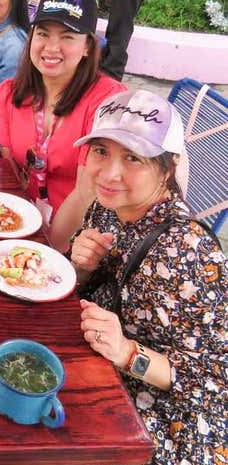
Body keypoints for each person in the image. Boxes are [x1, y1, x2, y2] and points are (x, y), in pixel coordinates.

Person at [69, 89, 226, 464]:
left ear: (167, 167)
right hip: (99, 371)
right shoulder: (108, 206)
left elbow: (214, 383)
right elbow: (76, 286)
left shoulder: (188, 253)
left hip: (167, 425)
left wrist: (127, 352)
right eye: (101, 151)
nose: (109, 173)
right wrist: (79, 266)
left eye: (132, 158)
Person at [0, 0, 125, 228]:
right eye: (43, 34)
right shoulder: (9, 93)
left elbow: (87, 192)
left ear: (87, 47)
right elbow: (5, 171)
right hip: (19, 220)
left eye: (67, 36)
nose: (51, 47)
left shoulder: (106, 102)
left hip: (79, 235)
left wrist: (47, 247)